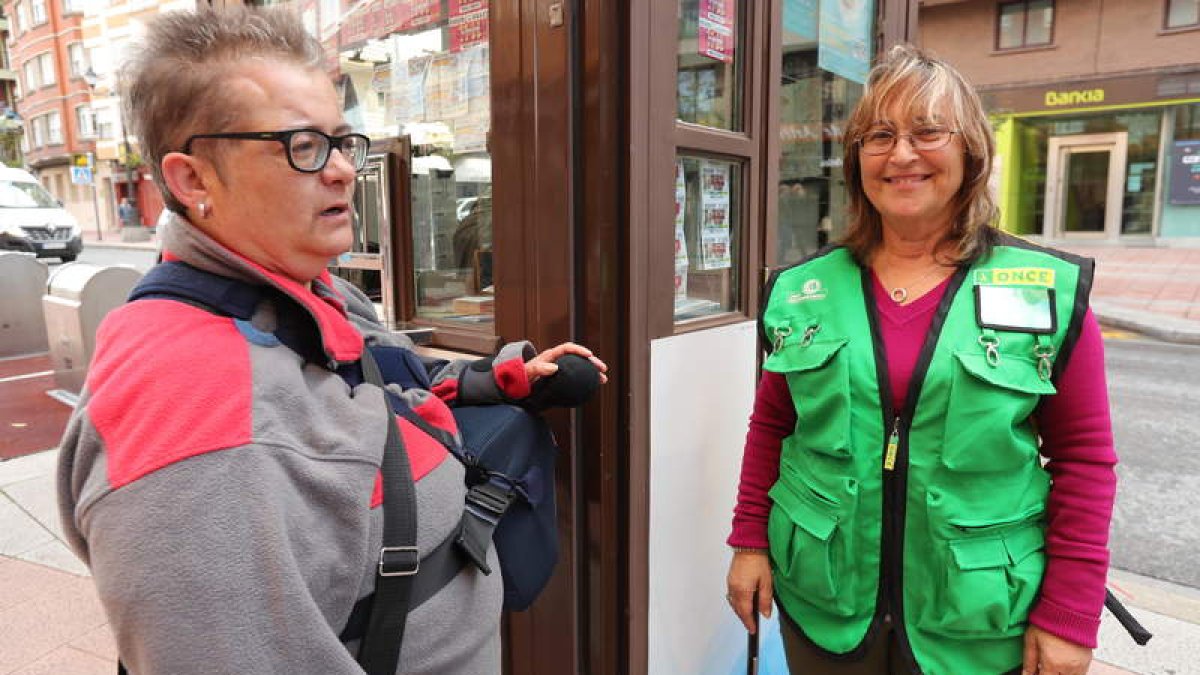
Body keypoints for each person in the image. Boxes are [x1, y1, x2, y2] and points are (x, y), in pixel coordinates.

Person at [56, 7, 606, 674]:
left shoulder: (299, 291)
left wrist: (498, 379)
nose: (344, 170)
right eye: (302, 146)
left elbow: (377, 374)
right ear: (193, 179)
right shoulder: (195, 416)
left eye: (342, 142)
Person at [725, 44, 1116, 675]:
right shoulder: (802, 290)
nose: (902, 154)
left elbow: (1084, 460)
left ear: (970, 151)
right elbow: (773, 426)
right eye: (879, 135)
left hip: (975, 617)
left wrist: (1070, 613)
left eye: (928, 131)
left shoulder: (1042, 289)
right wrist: (748, 541)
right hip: (826, 601)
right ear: (857, 161)